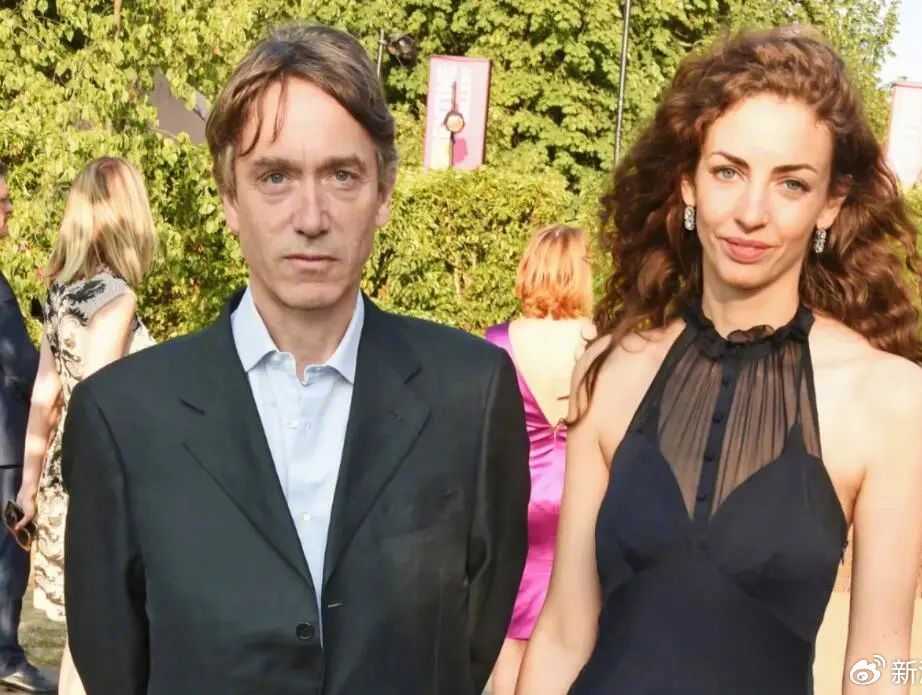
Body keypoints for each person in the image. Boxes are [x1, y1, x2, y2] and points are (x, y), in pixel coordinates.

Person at [60, 23, 530, 695]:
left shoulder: (470, 395)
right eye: (275, 177)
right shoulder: (123, 418)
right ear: (230, 197)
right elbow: (115, 662)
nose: (311, 216)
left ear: (383, 193)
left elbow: (472, 637)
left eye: (341, 175)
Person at [517, 27, 922, 694]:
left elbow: (880, 663)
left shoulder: (887, 398)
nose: (752, 212)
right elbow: (564, 632)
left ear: (831, 202)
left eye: (791, 183)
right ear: (688, 182)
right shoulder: (611, 369)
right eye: (728, 171)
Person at [15, 155, 158, 695]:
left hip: (62, 475)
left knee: (82, 637)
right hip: (102, 483)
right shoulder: (116, 297)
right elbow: (100, 404)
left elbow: (45, 395)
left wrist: (28, 489)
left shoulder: (62, 292)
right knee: (102, 639)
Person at [484, 224, 595, 695]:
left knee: (510, 637)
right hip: (581, 495)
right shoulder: (600, 343)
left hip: (518, 497)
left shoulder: (497, 341)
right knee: (574, 627)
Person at [0, 163, 57, 693]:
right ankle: (5, 657)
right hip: (6, 445)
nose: (10, 209)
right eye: (1, 201)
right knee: (8, 556)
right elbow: (19, 366)